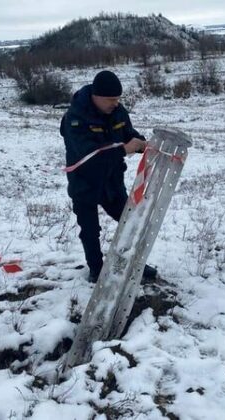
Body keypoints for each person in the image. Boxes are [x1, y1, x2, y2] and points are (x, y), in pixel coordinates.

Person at [60, 70, 158, 283]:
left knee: (130, 221)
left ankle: (133, 262)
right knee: (90, 229)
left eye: (118, 99)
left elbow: (128, 134)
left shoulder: (118, 111)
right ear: (96, 96)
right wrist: (124, 149)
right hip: (84, 182)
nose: (116, 103)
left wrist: (141, 144)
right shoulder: (75, 118)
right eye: (111, 99)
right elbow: (89, 154)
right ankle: (97, 269)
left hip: (111, 181)